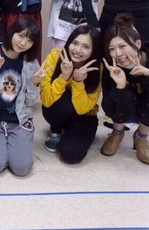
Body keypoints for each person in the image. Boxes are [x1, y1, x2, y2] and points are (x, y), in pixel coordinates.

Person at [100, 14, 149, 165]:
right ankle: (117, 133)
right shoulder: (112, 67)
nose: (118, 54)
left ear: (137, 43)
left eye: (122, 46)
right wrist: (120, 86)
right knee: (120, 97)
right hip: (126, 109)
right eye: (112, 49)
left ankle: (141, 137)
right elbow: (108, 107)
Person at [0, 17, 42, 176]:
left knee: (21, 169)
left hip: (19, 119)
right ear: (12, 32)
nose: (23, 43)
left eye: (29, 40)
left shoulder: (31, 63)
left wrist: (34, 83)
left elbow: (31, 101)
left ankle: (13, 142)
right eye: (21, 35)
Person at [39, 25, 102, 164]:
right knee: (65, 100)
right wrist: (64, 77)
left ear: (94, 49)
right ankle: (55, 130)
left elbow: (84, 109)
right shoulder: (56, 55)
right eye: (75, 43)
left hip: (84, 114)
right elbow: (46, 100)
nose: (77, 50)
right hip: (57, 109)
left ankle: (71, 132)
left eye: (86, 47)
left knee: (71, 155)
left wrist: (78, 82)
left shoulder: (98, 68)